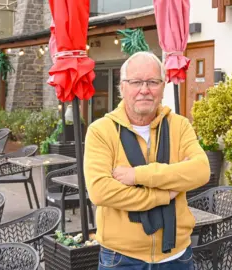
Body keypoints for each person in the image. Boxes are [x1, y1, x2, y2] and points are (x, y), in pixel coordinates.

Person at [84, 51, 210, 269]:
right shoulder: (100, 131)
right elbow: (100, 191)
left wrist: (137, 175)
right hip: (121, 259)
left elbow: (201, 170)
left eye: (152, 82)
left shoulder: (179, 126)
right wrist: (164, 194)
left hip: (177, 257)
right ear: (122, 87)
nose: (144, 90)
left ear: (162, 87)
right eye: (136, 82)